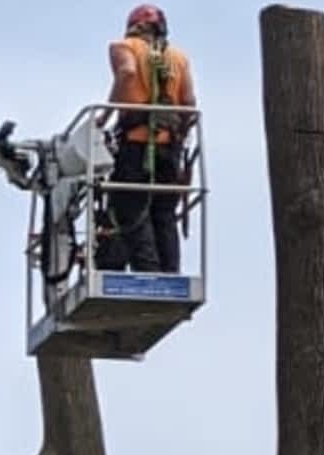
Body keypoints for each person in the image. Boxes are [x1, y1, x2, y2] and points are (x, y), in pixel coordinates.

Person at [104, 5, 197, 273]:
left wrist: (104, 117)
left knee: (130, 209)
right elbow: (189, 102)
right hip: (170, 150)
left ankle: (149, 275)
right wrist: (179, 132)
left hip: (135, 145)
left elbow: (128, 72)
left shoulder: (124, 47)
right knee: (164, 215)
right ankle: (169, 275)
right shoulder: (178, 58)